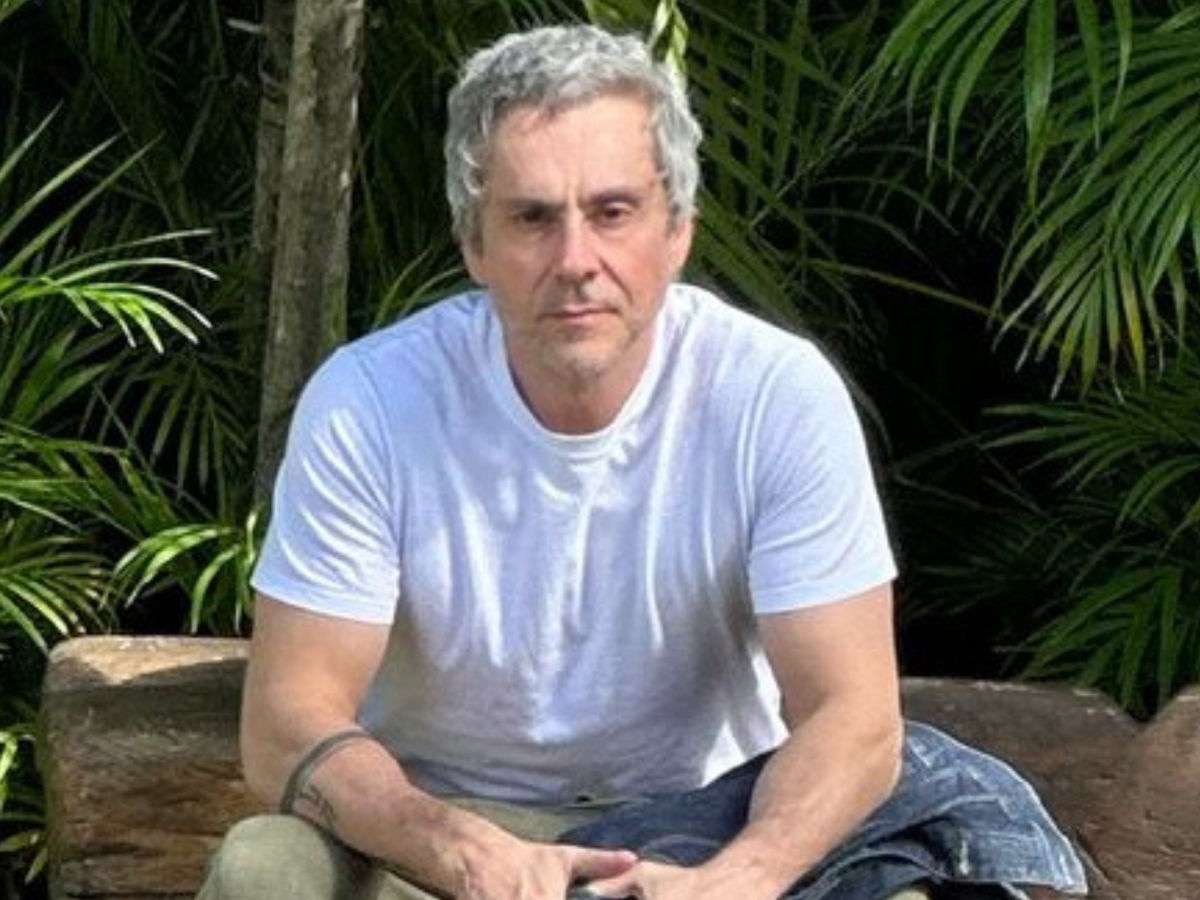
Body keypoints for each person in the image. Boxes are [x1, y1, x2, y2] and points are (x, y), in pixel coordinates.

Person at [197, 24, 1084, 900]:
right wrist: (457, 850)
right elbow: (286, 727)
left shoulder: (774, 394)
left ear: (678, 231)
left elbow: (852, 717)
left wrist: (737, 880)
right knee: (266, 869)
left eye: (612, 212)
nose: (575, 261)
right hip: (441, 831)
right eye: (533, 218)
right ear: (474, 244)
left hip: (704, 824)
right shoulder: (370, 400)